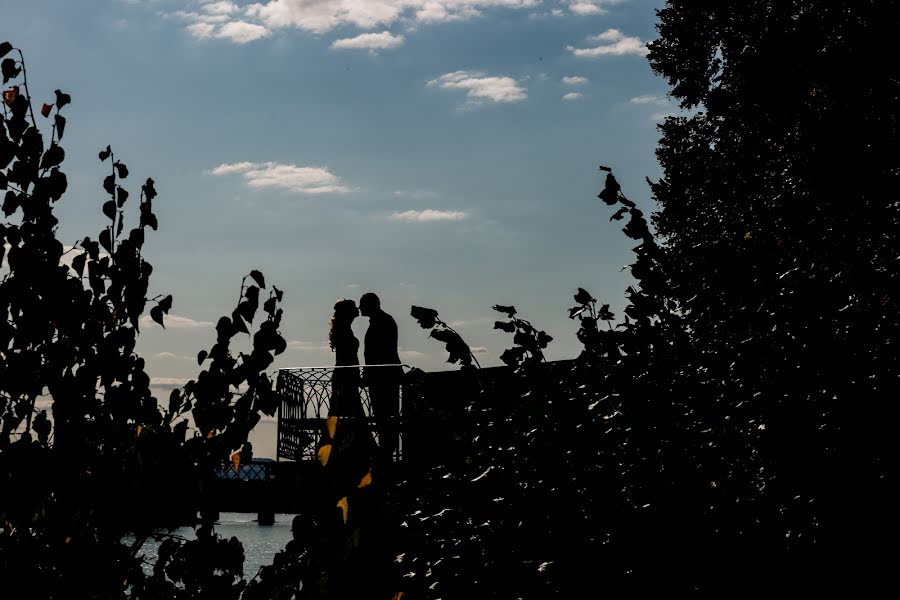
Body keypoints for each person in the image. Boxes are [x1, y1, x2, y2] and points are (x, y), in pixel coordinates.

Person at [359, 292, 404, 466]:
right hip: (381, 377)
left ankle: (387, 455)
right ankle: (387, 454)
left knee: (386, 417)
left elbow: (382, 352)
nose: (360, 308)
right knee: (384, 418)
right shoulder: (383, 320)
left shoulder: (383, 321)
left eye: (362, 304)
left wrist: (369, 373)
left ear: (372, 304)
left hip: (383, 378)